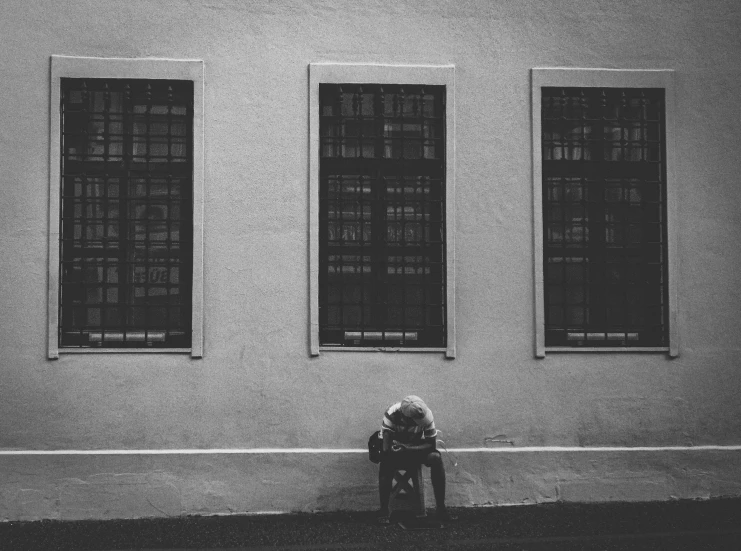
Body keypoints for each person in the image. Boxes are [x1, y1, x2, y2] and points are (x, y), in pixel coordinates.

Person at [376, 395, 453, 524]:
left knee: (436, 457)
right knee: (385, 462)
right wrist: (396, 449)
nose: (422, 421)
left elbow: (431, 445)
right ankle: (384, 509)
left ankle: (441, 508)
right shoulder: (392, 414)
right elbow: (385, 448)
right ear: (406, 418)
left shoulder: (426, 413)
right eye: (417, 420)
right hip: (395, 451)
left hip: (415, 448)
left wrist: (407, 448)